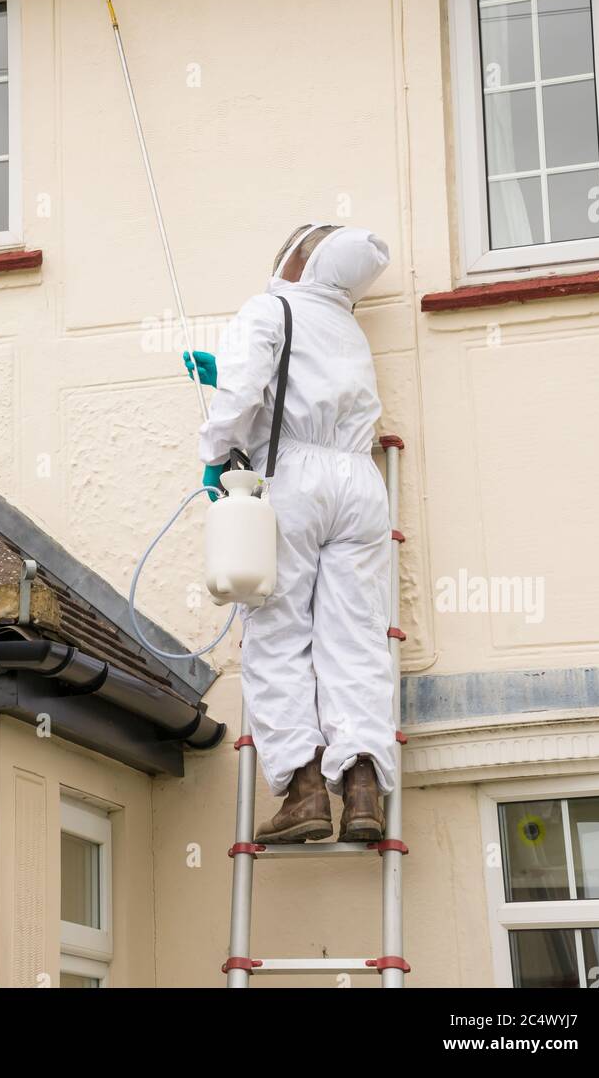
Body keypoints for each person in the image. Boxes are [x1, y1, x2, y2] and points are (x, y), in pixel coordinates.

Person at [185, 224, 395, 844]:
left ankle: (304, 793)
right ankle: (361, 790)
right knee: (355, 638)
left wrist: (218, 448)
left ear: (298, 262)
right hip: (360, 483)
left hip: (293, 480)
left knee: (277, 635)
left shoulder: (270, 307)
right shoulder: (348, 327)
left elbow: (247, 391)